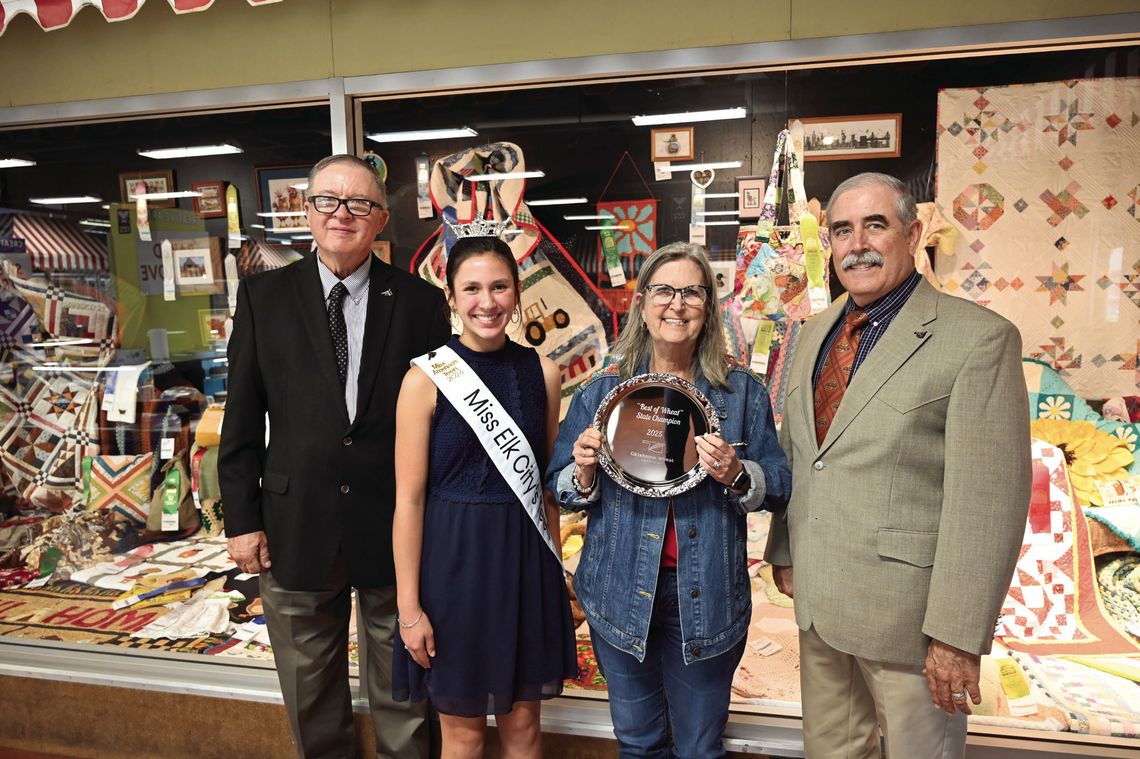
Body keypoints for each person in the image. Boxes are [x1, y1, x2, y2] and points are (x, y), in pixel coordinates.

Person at [764, 172, 1031, 758]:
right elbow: (803, 457)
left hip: (909, 621)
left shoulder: (977, 340)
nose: (857, 243)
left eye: (875, 225)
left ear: (912, 234)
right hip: (821, 606)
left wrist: (958, 637)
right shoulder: (812, 334)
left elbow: (989, 501)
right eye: (842, 229)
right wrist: (784, 550)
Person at [219, 154, 450, 759]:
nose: (342, 214)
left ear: (379, 220)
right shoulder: (263, 297)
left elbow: (442, 423)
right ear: (307, 211)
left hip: (392, 527)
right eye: (328, 201)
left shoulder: (422, 304)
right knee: (310, 691)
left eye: (360, 205)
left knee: (404, 692)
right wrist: (241, 521)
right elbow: (241, 419)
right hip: (295, 525)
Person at [548, 242, 791, 758]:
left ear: (708, 308)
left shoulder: (741, 392)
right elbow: (560, 485)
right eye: (663, 290)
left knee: (700, 748)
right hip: (617, 590)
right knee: (638, 744)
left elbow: (778, 481)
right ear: (642, 302)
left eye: (691, 292)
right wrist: (585, 469)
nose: (676, 304)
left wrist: (737, 473)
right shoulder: (604, 391)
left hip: (706, 595)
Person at [391, 234, 577, 758]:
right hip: (452, 571)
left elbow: (544, 486)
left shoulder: (543, 373)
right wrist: (409, 608)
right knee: (464, 735)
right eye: (471, 288)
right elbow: (408, 500)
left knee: (524, 731)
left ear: (517, 292)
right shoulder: (424, 380)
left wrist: (556, 573)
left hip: (525, 565)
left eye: (499, 286)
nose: (487, 301)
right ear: (451, 297)